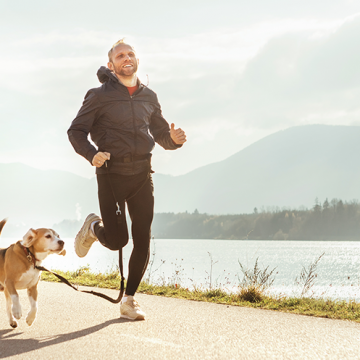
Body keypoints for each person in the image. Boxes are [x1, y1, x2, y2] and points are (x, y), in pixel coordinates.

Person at [67, 39, 186, 320]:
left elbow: (159, 133)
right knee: (119, 239)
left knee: (142, 236)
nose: (126, 57)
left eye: (130, 53)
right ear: (111, 65)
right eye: (120, 55)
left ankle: (130, 300)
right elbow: (76, 131)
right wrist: (91, 154)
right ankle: (94, 228)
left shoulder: (149, 96)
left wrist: (173, 140)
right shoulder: (98, 96)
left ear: (137, 61)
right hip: (111, 173)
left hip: (143, 174)